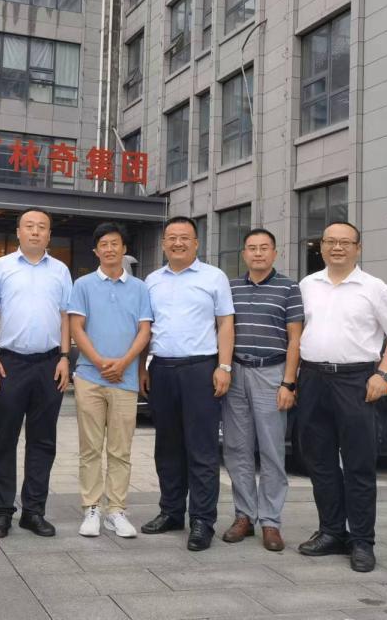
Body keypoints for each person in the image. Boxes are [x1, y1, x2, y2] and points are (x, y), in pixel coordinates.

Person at [296, 221, 387, 572]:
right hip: (312, 378)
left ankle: (362, 540)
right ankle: (331, 531)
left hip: (355, 381)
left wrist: (383, 374)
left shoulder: (373, 288)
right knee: (320, 462)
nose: (337, 247)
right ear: (321, 246)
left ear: (358, 248)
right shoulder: (307, 285)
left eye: (345, 242)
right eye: (330, 241)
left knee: (359, 463)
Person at [141, 216, 234, 551]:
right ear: (163, 243)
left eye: (184, 237)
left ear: (196, 243)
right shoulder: (151, 281)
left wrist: (224, 366)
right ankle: (171, 511)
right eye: (171, 237)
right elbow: (145, 327)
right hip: (162, 369)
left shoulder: (214, 277)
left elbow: (225, 324)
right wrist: (142, 368)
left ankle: (202, 520)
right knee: (167, 447)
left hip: (200, 369)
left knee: (202, 448)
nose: (177, 243)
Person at [0, 209, 72, 538]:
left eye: (42, 227)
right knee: (4, 439)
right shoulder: (0, 267)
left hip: (50, 364)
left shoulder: (60, 270)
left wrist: (64, 357)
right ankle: (3, 512)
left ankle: (34, 511)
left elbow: (65, 316)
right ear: (18, 231)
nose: (35, 232)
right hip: (9, 363)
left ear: (49, 235)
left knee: (43, 440)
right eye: (29, 226)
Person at [221, 228, 303, 552]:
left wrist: (288, 382)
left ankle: (271, 521)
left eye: (264, 248)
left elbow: (295, 339)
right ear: (244, 254)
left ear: (274, 253)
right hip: (236, 373)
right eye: (252, 248)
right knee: (236, 448)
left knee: (271, 450)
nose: (258, 253)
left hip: (272, 373)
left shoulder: (289, 288)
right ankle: (244, 516)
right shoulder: (230, 288)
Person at [69, 222, 152, 539]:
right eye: (103, 244)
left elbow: (145, 330)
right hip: (90, 377)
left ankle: (116, 510)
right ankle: (91, 508)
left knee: (120, 450)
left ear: (124, 248)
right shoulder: (83, 285)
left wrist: (124, 363)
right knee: (90, 448)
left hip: (125, 380)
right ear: (96, 250)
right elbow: (77, 328)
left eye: (115, 243)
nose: (109, 249)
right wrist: (100, 362)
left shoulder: (140, 288)